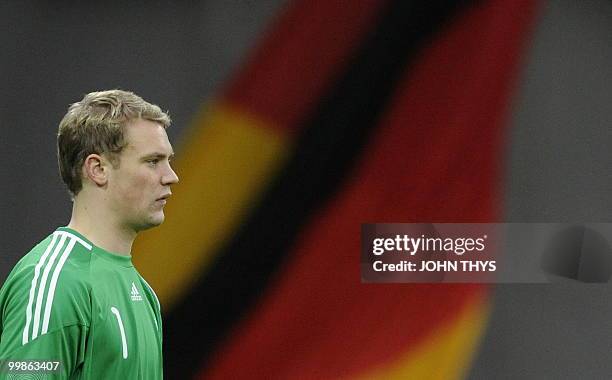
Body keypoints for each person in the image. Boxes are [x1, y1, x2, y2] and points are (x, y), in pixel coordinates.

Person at [0, 89, 179, 379]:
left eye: (168, 160)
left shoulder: (144, 293)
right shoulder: (54, 281)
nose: (171, 175)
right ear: (97, 169)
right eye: (153, 161)